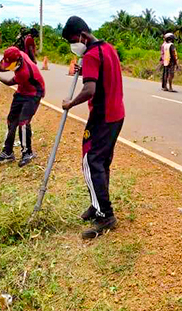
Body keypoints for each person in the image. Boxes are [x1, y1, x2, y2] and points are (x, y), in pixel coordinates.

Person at [61, 16, 124, 239]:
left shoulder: (90, 55)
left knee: (90, 161)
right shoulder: (108, 48)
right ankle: (96, 205)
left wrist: (70, 103)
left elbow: (90, 90)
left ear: (83, 37)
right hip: (117, 115)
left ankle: (105, 215)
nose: (73, 46)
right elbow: (102, 73)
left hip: (102, 116)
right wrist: (85, 67)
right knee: (102, 162)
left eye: (72, 41)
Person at [0, 46, 45, 167]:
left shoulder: (24, 72)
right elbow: (8, 66)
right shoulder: (18, 54)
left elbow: (10, 82)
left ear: (19, 60)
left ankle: (27, 152)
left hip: (34, 94)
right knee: (11, 120)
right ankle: (7, 151)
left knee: (23, 123)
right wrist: (1, 67)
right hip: (22, 91)